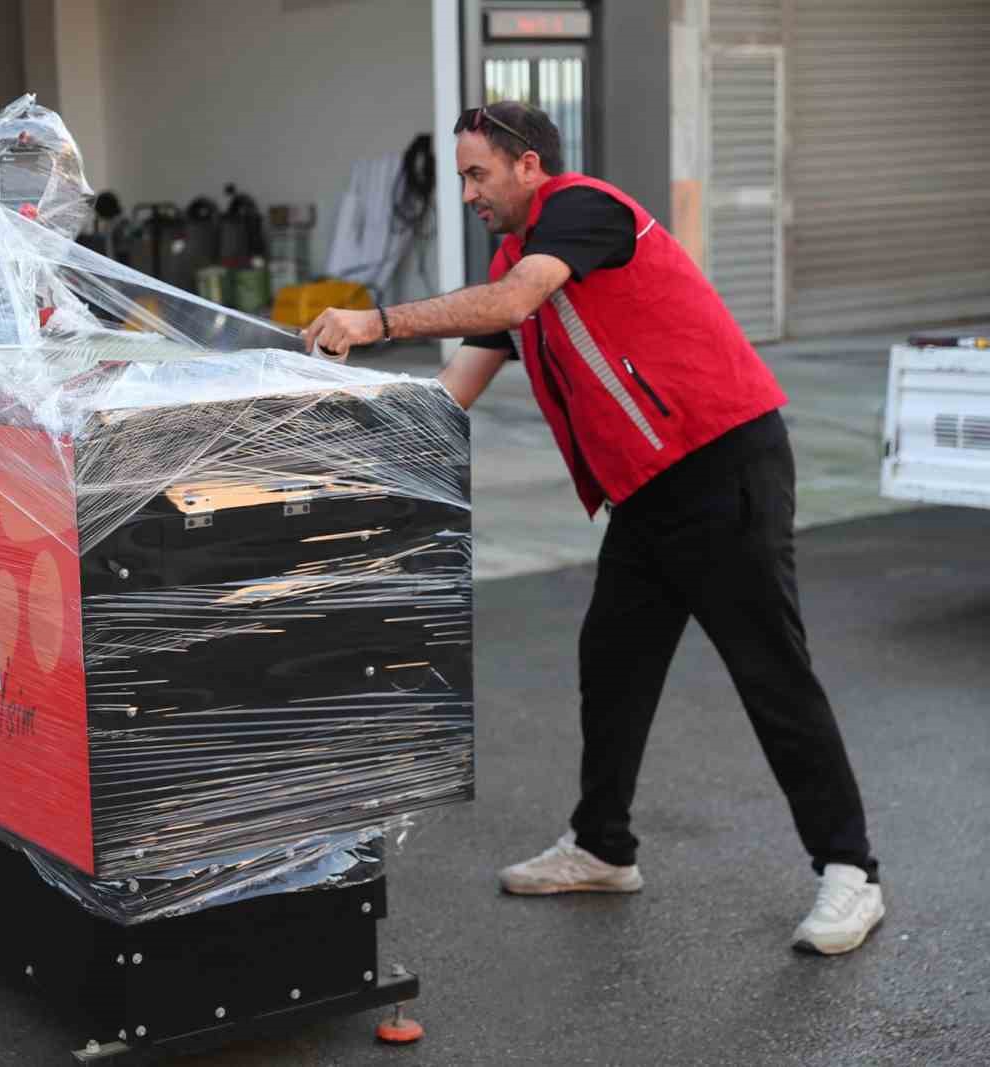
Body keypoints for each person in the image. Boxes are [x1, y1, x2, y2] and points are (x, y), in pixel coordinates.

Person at [302, 101, 883, 955]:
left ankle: (851, 870)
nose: (467, 192)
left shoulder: (583, 211)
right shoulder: (514, 265)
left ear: (529, 165)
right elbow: (448, 395)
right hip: (647, 494)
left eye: (477, 174)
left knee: (772, 672)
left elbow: (510, 298)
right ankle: (604, 847)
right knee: (611, 663)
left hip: (724, 465)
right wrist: (318, 442)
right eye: (462, 177)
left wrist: (377, 320)